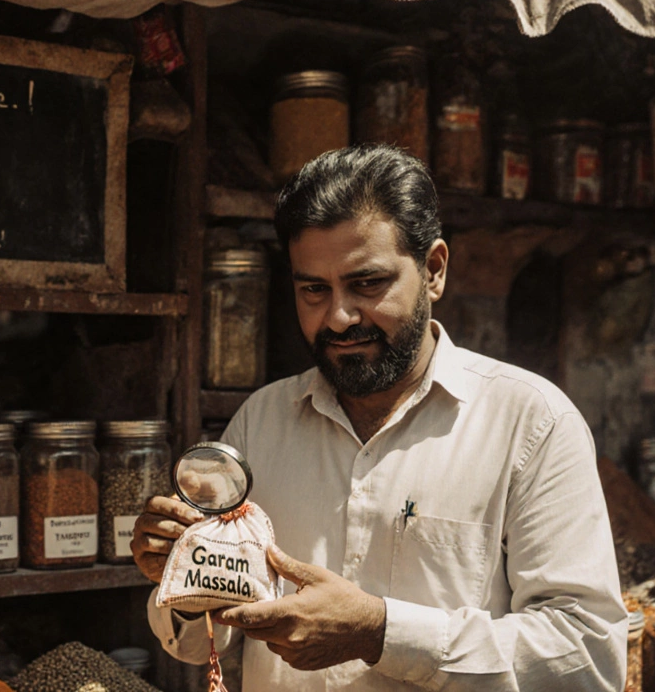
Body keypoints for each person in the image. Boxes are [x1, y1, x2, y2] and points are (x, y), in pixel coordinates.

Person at [133, 145, 627, 691]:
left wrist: (380, 631)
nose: (340, 317)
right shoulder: (262, 421)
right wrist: (181, 576)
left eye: (367, 284)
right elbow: (208, 638)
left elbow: (586, 658)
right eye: (313, 290)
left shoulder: (532, 424)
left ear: (433, 270)